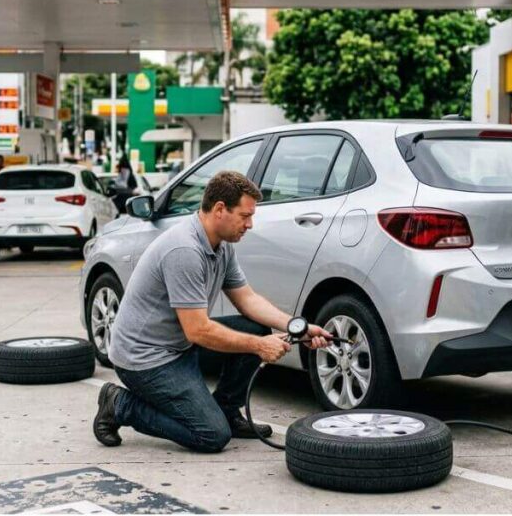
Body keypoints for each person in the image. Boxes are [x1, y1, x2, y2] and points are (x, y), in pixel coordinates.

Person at [93, 171, 333, 453]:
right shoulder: (184, 249)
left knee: (254, 328)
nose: (250, 224)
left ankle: (227, 411)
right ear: (220, 209)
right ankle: (120, 405)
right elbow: (197, 330)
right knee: (211, 435)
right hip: (145, 359)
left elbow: (247, 300)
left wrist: (298, 327)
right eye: (245, 216)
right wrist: (260, 347)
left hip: (178, 345)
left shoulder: (220, 245)